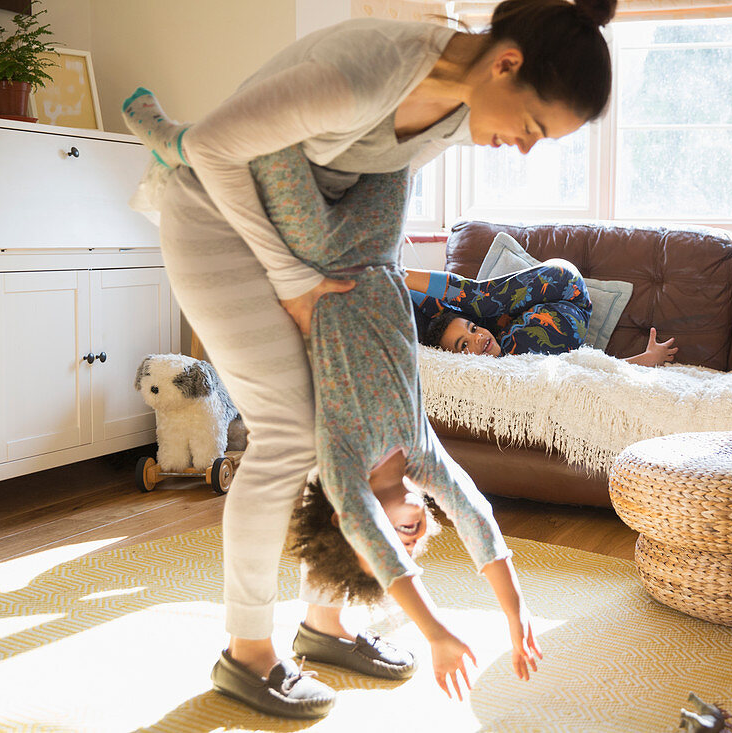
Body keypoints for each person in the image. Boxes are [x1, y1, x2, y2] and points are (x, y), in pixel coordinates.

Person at [121, 0, 617, 719]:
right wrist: (293, 282)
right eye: (536, 127)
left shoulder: (461, 105)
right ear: (507, 64)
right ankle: (247, 653)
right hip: (217, 213)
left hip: (323, 242)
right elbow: (219, 150)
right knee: (290, 437)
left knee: (330, 431)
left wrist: (362, 290)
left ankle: (327, 624)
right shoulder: (361, 75)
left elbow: (378, 198)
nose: (527, 146)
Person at [408, 262, 679, 366]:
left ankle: (393, 272)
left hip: (562, 287)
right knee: (458, 317)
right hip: (533, 317)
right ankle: (389, 276)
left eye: (473, 329)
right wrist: (646, 359)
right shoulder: (515, 355)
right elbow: (586, 369)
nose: (477, 338)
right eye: (464, 345)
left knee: (477, 302)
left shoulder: (506, 341)